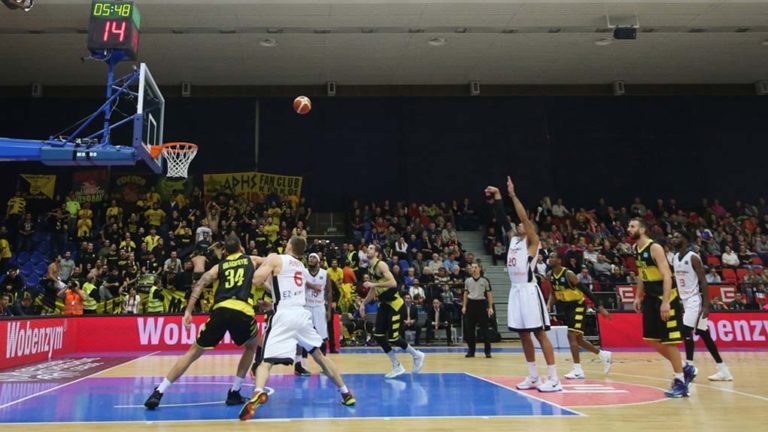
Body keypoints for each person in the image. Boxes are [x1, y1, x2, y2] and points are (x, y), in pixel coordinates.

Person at [239, 236, 356, 421]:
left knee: (265, 361)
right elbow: (285, 291)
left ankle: (258, 392)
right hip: (301, 315)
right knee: (320, 357)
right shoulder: (301, 267)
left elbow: (256, 279)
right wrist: (271, 304)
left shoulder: (276, 258)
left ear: (289, 246)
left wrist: (255, 270)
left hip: (284, 316)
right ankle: (346, 392)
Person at [144, 235, 263, 410]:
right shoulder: (251, 260)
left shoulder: (218, 267)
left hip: (220, 311)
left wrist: (188, 311)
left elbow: (199, 284)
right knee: (252, 345)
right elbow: (273, 262)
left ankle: (159, 391)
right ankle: (235, 392)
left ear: (224, 252)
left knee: (192, 353)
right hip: (242, 310)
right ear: (241, 248)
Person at [487, 177, 561, 392]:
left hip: (529, 291)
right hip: (515, 291)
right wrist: (498, 198)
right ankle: (533, 376)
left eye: (522, 224)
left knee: (539, 333)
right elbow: (502, 219)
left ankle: (554, 378)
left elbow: (522, 218)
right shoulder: (513, 240)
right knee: (522, 334)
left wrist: (512, 195)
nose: (518, 224)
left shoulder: (532, 241)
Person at [628, 218, 690, 398]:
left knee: (669, 342)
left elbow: (667, 276)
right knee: (650, 339)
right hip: (650, 296)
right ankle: (685, 367)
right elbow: (642, 274)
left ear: (643, 229)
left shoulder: (654, 248)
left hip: (665, 297)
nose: (629, 229)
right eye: (629, 226)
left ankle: (680, 381)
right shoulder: (635, 249)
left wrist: (666, 302)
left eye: (632, 226)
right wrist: (638, 295)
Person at [671, 231, 733, 382]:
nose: (673, 239)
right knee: (703, 333)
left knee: (686, 330)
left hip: (695, 300)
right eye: (672, 236)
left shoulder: (693, 257)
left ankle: (689, 368)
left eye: (677, 236)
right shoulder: (674, 258)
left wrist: (706, 305)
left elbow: (703, 281)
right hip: (685, 301)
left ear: (684, 240)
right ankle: (724, 370)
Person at [361, 244, 426, 378]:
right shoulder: (370, 268)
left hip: (396, 305)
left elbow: (393, 283)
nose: (369, 249)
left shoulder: (381, 265)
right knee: (378, 335)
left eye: (372, 248)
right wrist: (363, 303)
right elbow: (373, 290)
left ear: (377, 253)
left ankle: (417, 355)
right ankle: (396, 365)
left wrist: (373, 284)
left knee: (393, 337)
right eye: (368, 248)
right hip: (384, 305)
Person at [546, 252, 613, 379]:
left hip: (577, 306)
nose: (550, 259)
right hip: (566, 307)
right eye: (549, 257)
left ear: (560, 260)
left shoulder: (568, 274)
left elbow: (586, 291)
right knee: (579, 340)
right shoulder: (549, 275)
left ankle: (578, 370)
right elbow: (552, 293)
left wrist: (600, 307)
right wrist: (548, 305)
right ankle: (603, 355)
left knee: (571, 336)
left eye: (553, 257)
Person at [293, 253, 333, 376]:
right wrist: (312, 286)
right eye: (310, 257)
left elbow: (329, 292)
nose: (311, 259)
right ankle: (300, 365)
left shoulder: (325, 273)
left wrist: (329, 310)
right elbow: (299, 282)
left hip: (320, 306)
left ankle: (323, 366)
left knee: (322, 338)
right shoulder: (303, 272)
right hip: (305, 306)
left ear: (319, 261)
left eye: (314, 257)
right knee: (301, 336)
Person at [462, 263, 494, 358]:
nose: (474, 269)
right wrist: (464, 306)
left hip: (481, 304)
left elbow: (489, 294)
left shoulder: (485, 280)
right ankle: (471, 351)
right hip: (471, 304)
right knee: (469, 329)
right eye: (472, 267)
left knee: (485, 329)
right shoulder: (467, 281)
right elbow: (465, 294)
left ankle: (487, 351)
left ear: (479, 269)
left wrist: (490, 307)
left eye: (476, 267)